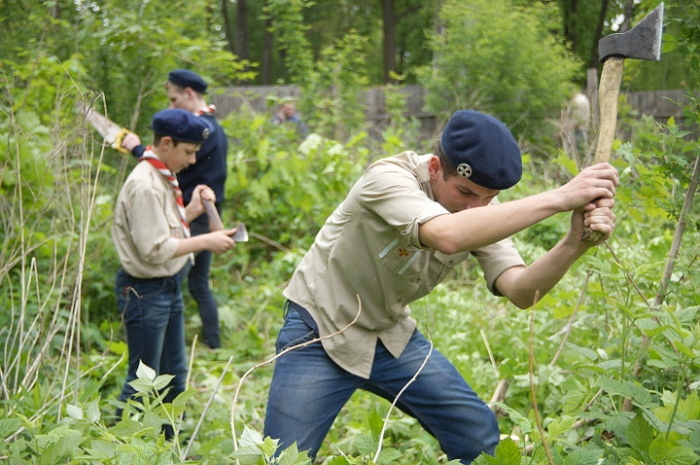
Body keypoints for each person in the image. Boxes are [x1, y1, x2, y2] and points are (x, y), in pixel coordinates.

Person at [262, 110, 618, 464]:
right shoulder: (388, 178)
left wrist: (575, 244)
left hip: (388, 335)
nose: (476, 207)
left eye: (488, 197)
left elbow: (522, 291)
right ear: (434, 168)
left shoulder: (480, 209)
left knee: (477, 435)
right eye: (466, 192)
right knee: (281, 459)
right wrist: (560, 197)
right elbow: (447, 235)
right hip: (319, 331)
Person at [113, 108, 238, 437]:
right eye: (188, 152)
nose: (193, 161)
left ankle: (170, 444)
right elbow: (154, 249)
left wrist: (195, 206)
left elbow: (169, 227)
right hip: (144, 292)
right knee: (143, 380)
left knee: (174, 373)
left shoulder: (162, 176)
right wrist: (206, 241)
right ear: (166, 143)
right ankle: (110, 445)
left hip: (168, 286)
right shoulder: (146, 185)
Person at [122, 69, 228, 349]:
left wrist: (137, 150)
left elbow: (170, 163)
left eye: (174, 100)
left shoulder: (203, 131)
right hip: (189, 214)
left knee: (193, 283)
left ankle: (213, 344)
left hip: (195, 220)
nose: (171, 108)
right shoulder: (210, 126)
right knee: (191, 283)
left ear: (189, 94)